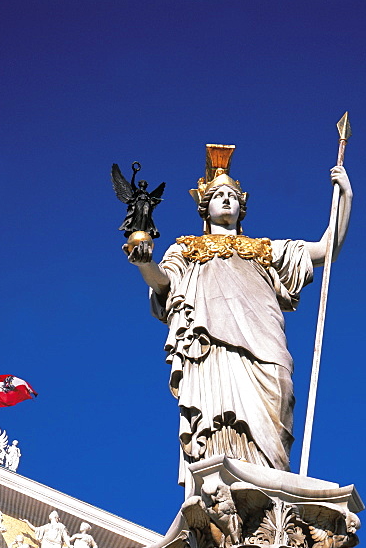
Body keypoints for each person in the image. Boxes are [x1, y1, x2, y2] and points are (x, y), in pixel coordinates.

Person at [127, 145, 352, 490]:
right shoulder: (186, 249)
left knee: (279, 396)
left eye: (232, 195)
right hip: (212, 346)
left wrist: (345, 195)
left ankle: (271, 484)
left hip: (265, 342)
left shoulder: (266, 250)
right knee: (219, 418)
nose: (226, 200)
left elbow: (328, 247)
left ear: (242, 206)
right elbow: (164, 285)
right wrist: (145, 262)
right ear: (205, 207)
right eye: (218, 195)